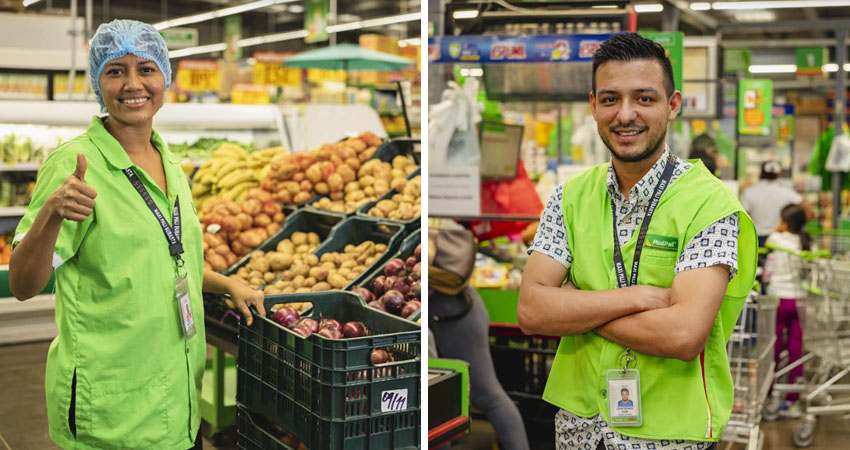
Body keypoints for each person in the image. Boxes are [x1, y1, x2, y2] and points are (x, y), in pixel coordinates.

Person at [9, 20, 264, 450]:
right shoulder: (73, 164)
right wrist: (51, 215)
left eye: (146, 69)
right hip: (112, 410)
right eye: (115, 71)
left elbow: (167, 262)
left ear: (165, 77)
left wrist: (227, 284)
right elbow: (22, 284)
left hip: (178, 402)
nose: (133, 84)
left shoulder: (171, 165)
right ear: (97, 82)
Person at [518, 33, 757, 450]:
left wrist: (576, 307)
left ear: (673, 104)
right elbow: (532, 311)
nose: (625, 114)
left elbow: (683, 335)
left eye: (643, 99)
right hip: (579, 432)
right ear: (593, 105)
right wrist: (637, 298)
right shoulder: (569, 196)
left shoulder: (710, 204)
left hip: (669, 438)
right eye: (610, 99)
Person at [764, 204, 810, 418]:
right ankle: (792, 398)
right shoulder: (805, 242)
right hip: (799, 300)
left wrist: (779, 227)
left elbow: (772, 236)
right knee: (795, 349)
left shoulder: (776, 240)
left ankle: (769, 392)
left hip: (778, 299)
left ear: (785, 222)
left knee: (773, 346)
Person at [741, 161, 810, 248]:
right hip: (781, 238)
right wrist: (795, 227)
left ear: (761, 173)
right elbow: (809, 211)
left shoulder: (748, 192)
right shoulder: (787, 192)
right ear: (778, 174)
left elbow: (743, 217)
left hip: (755, 238)